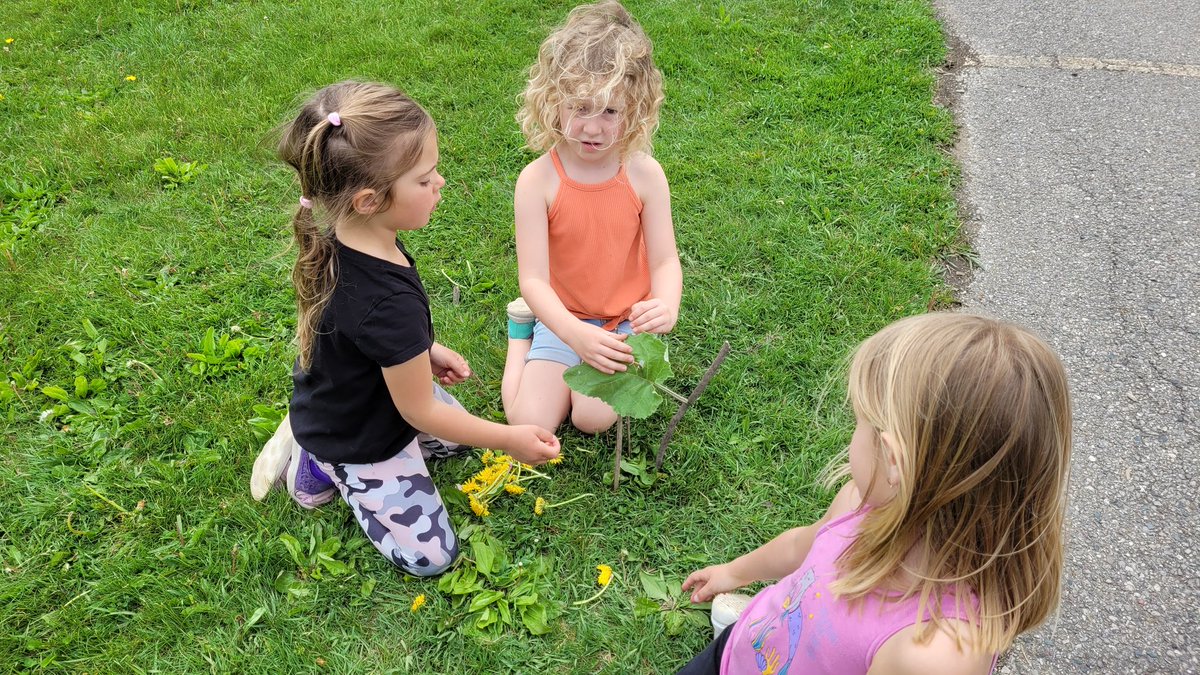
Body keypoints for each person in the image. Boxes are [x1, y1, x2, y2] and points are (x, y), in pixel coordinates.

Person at [249, 81, 560, 576]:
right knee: (432, 558)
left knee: (459, 441)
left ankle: (318, 434)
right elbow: (420, 409)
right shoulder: (384, 301)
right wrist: (507, 438)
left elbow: (355, 334)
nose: (440, 184)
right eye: (424, 179)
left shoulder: (342, 234)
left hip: (364, 393)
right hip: (359, 435)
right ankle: (320, 461)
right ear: (370, 200)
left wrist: (422, 350)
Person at [677, 313, 1073, 674]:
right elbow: (803, 544)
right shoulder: (860, 505)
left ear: (894, 460)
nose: (853, 435)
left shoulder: (934, 651)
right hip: (740, 652)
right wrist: (734, 573)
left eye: (861, 424)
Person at [501, 0, 682, 434]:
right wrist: (572, 333)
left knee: (592, 419)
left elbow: (664, 260)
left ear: (635, 109)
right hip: (561, 315)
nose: (593, 128)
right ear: (552, 100)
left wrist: (666, 306)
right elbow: (534, 280)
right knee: (528, 421)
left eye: (610, 111)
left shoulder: (644, 174)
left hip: (623, 320)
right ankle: (518, 334)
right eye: (580, 108)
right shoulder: (537, 181)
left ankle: (614, 354)